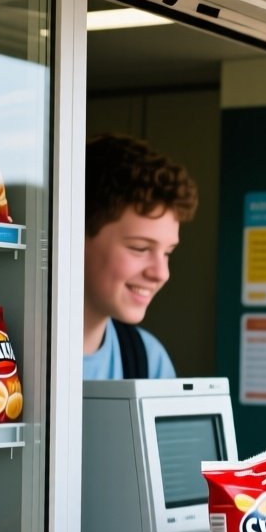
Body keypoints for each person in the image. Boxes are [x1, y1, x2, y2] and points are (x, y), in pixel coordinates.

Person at [82, 133, 196, 379]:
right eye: (140, 248)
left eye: (167, 253)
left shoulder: (148, 360)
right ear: (73, 237)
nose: (161, 273)